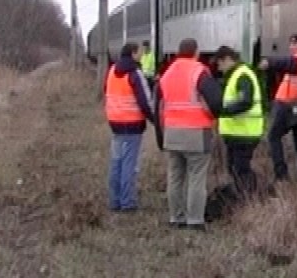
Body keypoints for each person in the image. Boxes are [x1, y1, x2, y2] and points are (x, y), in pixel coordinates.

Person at [153, 38, 222, 230]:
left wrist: (160, 138)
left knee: (175, 177)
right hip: (196, 133)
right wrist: (213, 115)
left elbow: (157, 108)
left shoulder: (167, 74)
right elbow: (216, 102)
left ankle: (176, 217)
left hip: (172, 133)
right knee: (196, 178)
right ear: (196, 52)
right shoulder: (199, 72)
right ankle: (195, 220)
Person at [259, 33, 297, 182]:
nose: (291, 47)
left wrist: (269, 62)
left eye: (294, 43)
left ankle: (281, 174)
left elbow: (287, 63)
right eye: (291, 44)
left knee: (273, 136)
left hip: (287, 104)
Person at [104, 42, 157, 212]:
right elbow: (144, 101)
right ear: (133, 53)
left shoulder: (112, 70)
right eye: (139, 52)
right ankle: (127, 202)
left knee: (116, 162)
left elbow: (106, 93)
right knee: (129, 165)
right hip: (132, 124)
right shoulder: (135, 73)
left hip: (115, 123)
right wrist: (154, 120)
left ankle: (114, 201)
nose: (141, 54)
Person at [214, 45, 264, 199]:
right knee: (235, 168)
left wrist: (224, 111)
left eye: (219, 63)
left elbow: (245, 101)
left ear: (227, 59)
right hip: (238, 132)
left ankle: (248, 198)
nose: (219, 68)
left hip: (245, 133)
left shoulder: (242, 75)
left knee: (240, 169)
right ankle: (246, 196)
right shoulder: (236, 75)